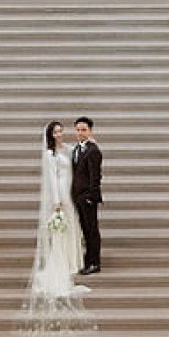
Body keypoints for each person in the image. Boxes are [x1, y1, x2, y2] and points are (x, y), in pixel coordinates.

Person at [17, 120, 92, 332]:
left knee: (74, 224)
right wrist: (56, 200)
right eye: (56, 131)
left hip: (72, 190)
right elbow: (51, 178)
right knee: (65, 225)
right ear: (50, 135)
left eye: (61, 130)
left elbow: (77, 158)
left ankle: (74, 257)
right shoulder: (50, 154)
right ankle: (63, 260)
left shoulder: (68, 149)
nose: (59, 134)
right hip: (61, 191)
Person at [71, 116, 104, 274]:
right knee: (85, 229)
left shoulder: (93, 150)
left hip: (88, 197)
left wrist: (92, 196)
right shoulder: (77, 148)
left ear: (90, 131)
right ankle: (88, 258)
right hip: (78, 197)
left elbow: (95, 176)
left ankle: (94, 263)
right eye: (78, 130)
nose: (80, 133)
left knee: (92, 230)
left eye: (84, 130)